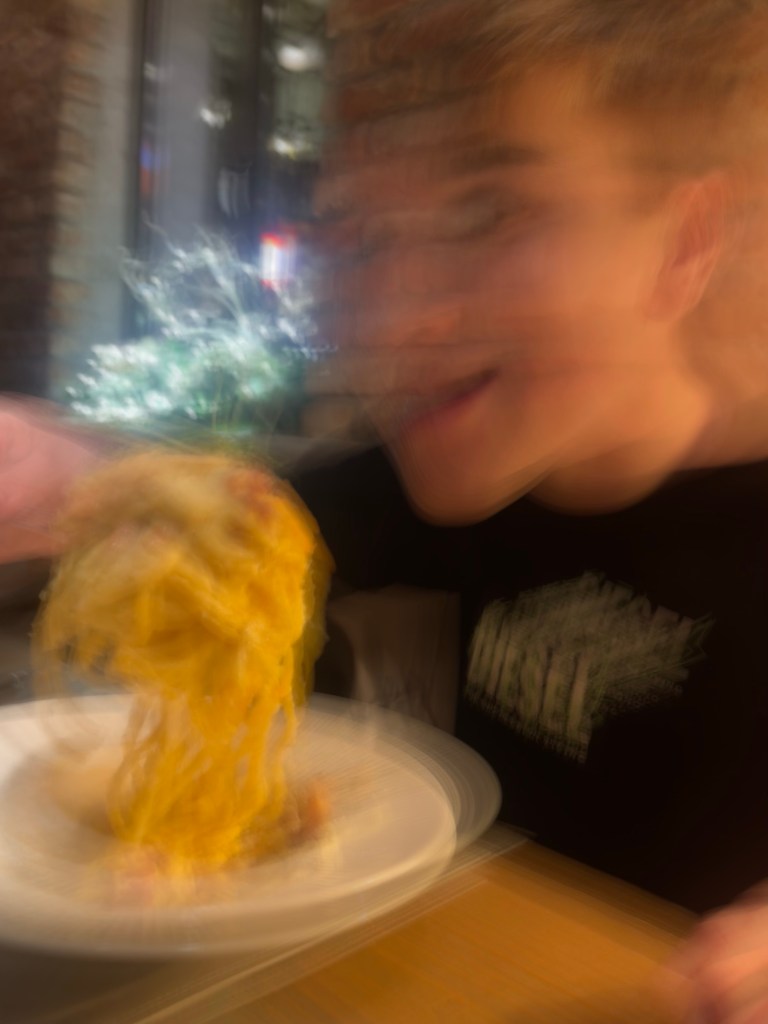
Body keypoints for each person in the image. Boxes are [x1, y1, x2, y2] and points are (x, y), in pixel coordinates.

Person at [3, 0, 768, 1018]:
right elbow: (233, 521)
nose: (392, 311)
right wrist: (67, 469)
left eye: (491, 211)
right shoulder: (430, 485)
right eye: (358, 237)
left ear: (683, 243)